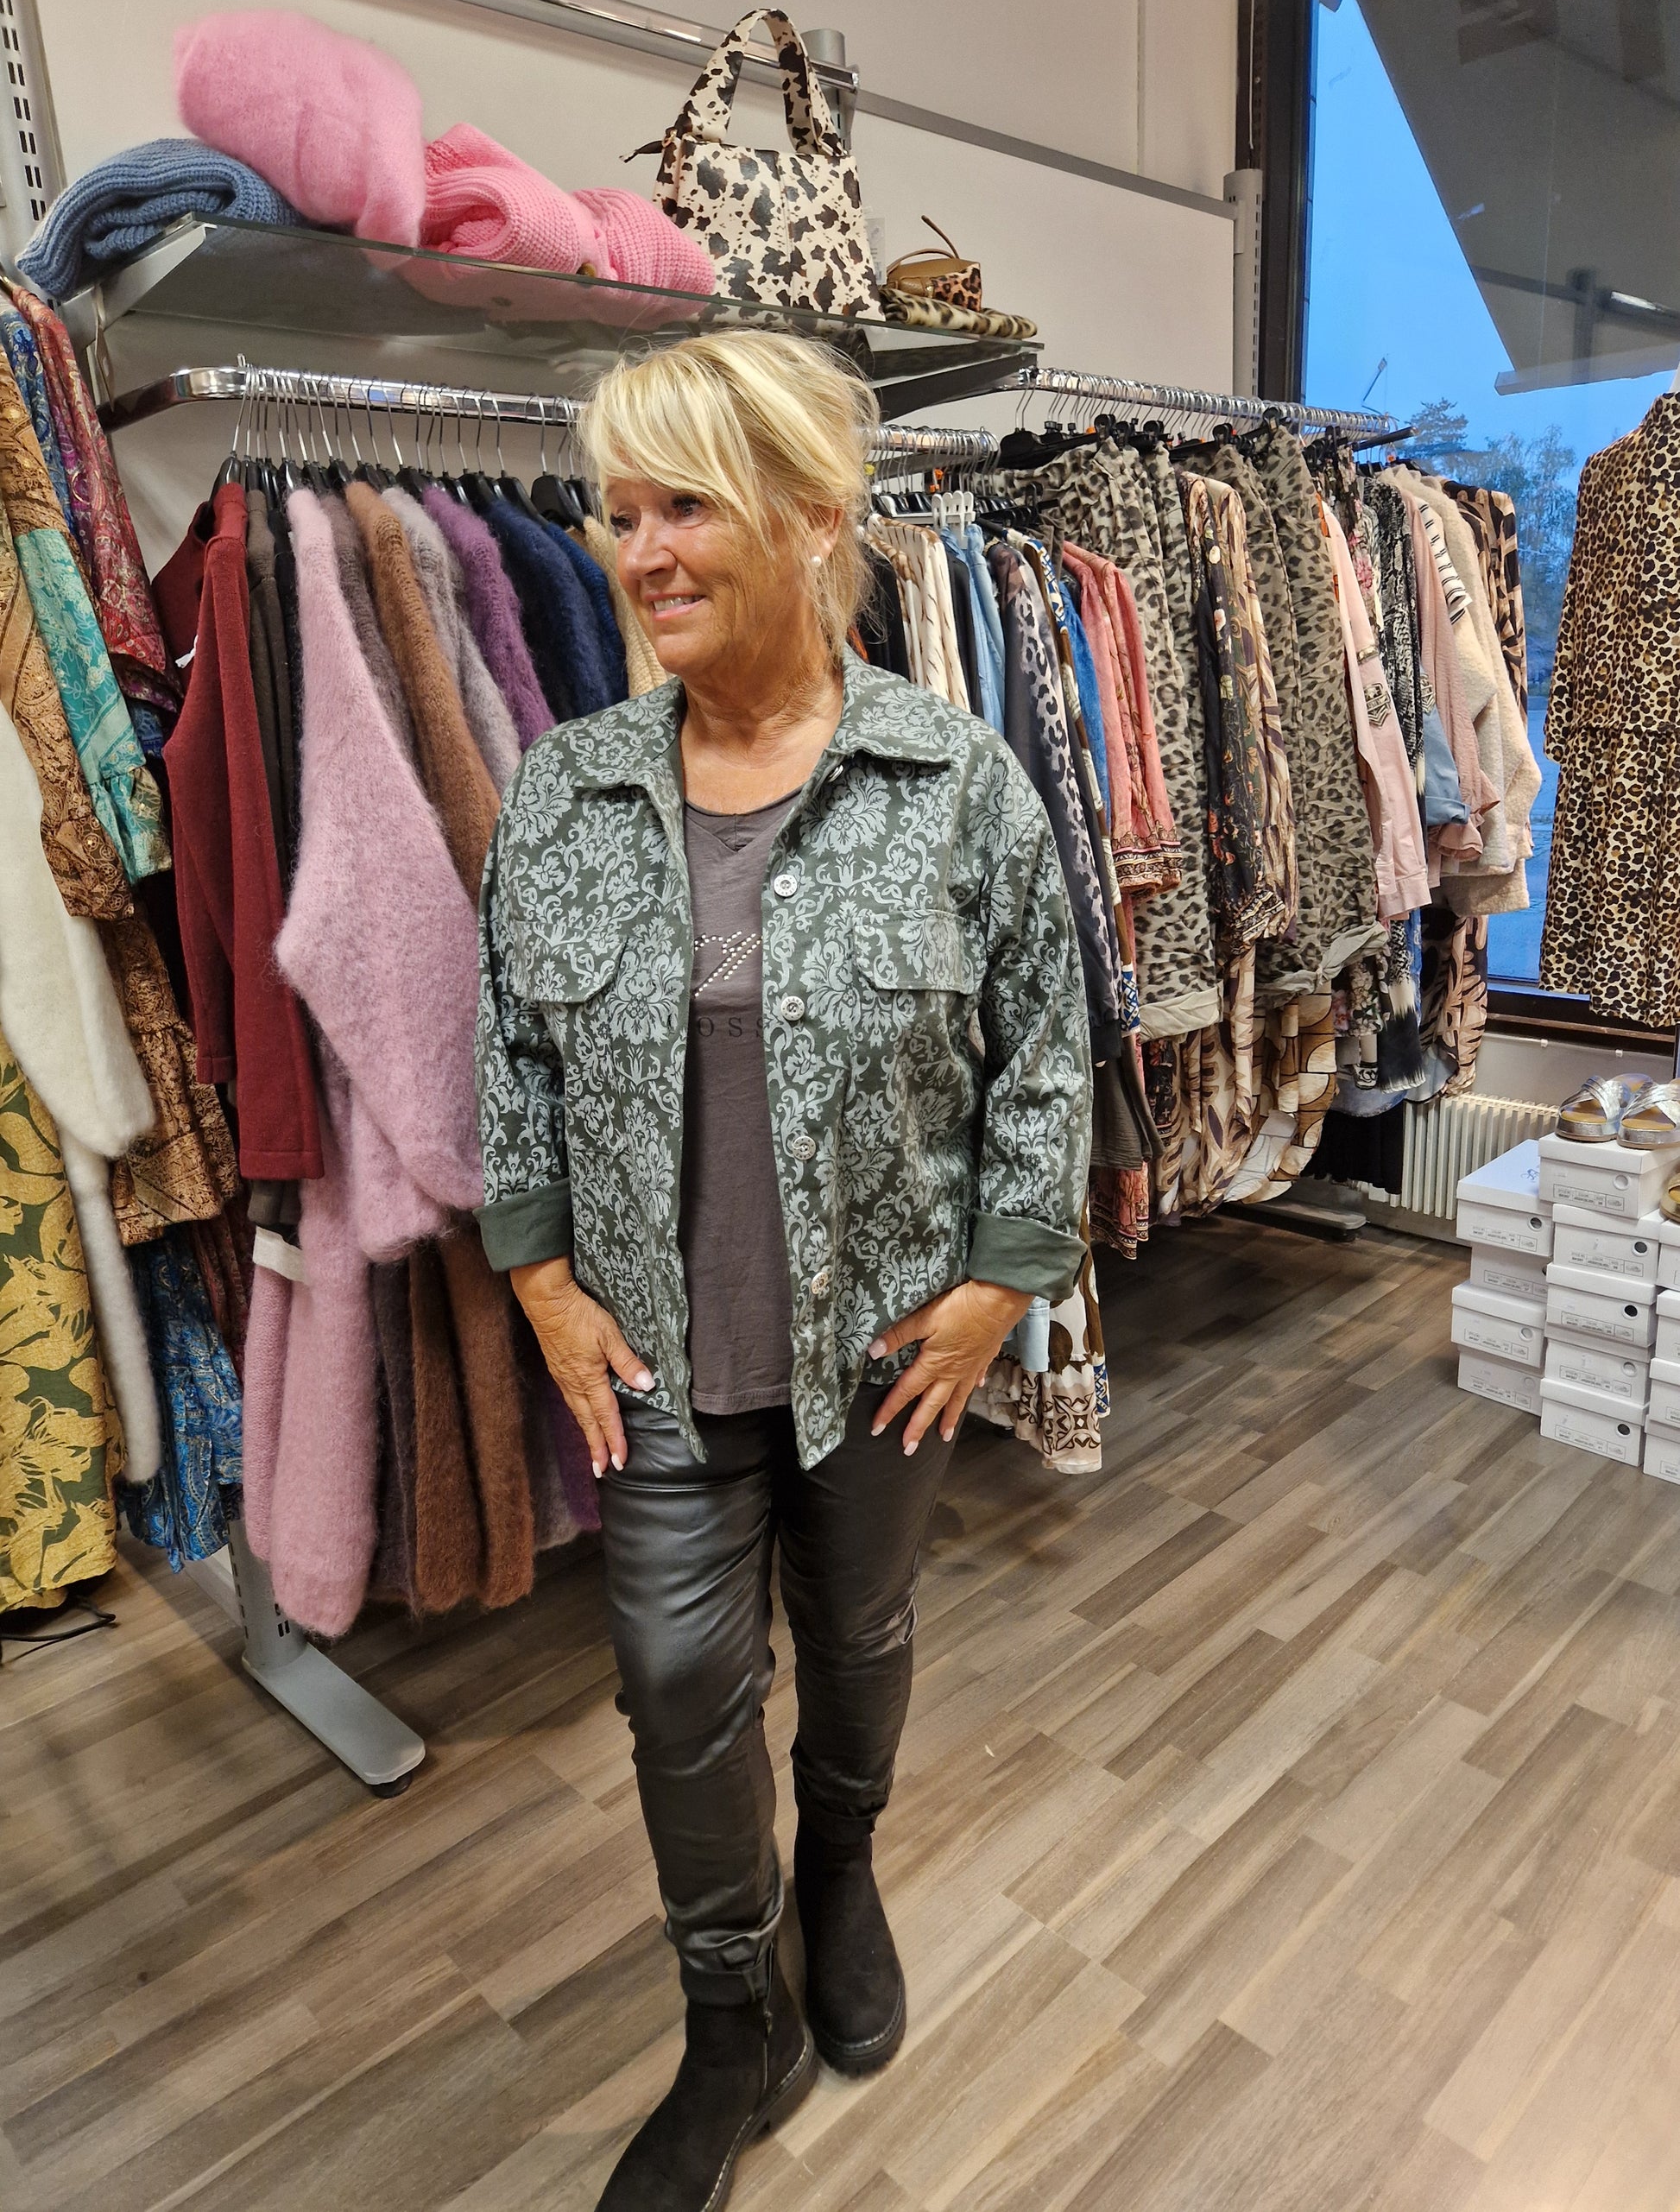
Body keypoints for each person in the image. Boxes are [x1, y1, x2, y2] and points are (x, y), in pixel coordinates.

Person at [475, 332, 1092, 2211]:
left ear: (815, 521)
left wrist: (1000, 1277)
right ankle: (728, 2017)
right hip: (658, 1346)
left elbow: (1044, 1045)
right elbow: (510, 1048)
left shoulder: (951, 776)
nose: (639, 551)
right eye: (620, 511)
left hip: (884, 1338)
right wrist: (541, 1279)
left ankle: (840, 1864)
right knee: (677, 1678)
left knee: (860, 1629)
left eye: (685, 505)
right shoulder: (567, 788)